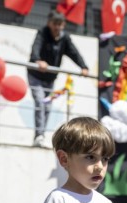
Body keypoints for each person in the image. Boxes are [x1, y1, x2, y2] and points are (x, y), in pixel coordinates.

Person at [28, 10, 88, 148]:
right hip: (35, 75)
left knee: (48, 106)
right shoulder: (42, 33)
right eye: (55, 24)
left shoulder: (64, 38)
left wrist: (83, 66)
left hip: (50, 78)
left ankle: (41, 135)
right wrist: (38, 60)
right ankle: (39, 135)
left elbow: (74, 52)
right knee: (39, 102)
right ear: (49, 23)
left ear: (64, 25)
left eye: (60, 24)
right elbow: (35, 48)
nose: (57, 28)